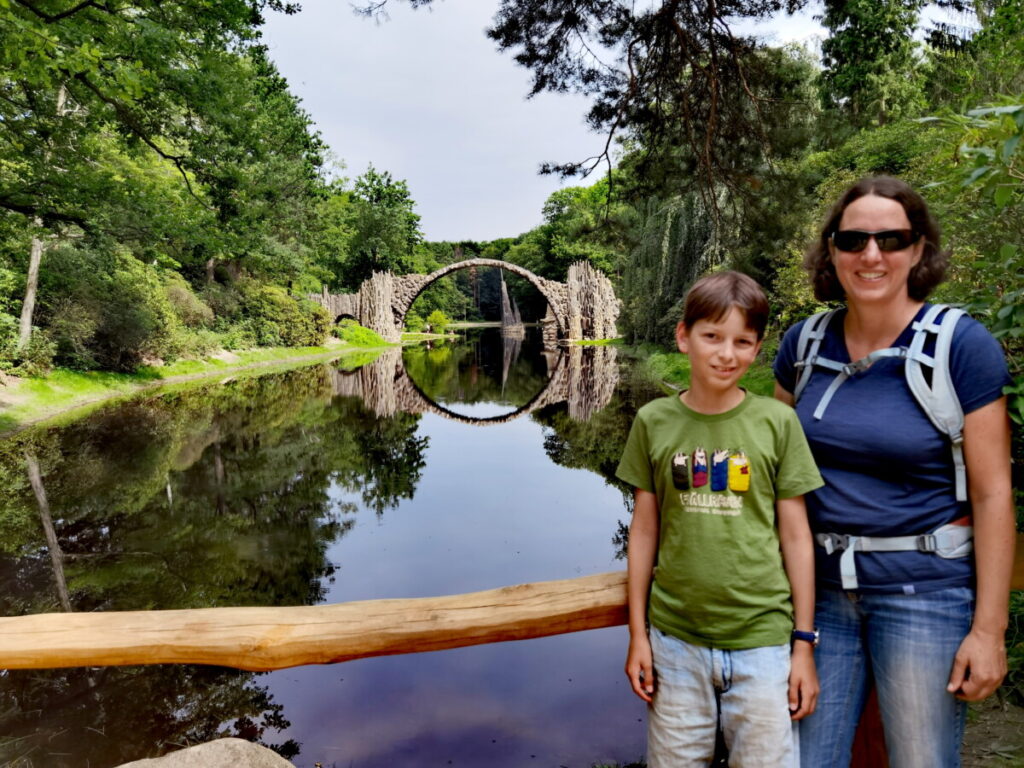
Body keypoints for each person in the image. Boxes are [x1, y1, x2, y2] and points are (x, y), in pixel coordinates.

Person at [773, 175, 1015, 768]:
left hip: (924, 594)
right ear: (831, 250)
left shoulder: (961, 345)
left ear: (919, 249)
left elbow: (992, 495)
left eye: (892, 239)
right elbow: (777, 482)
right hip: (818, 600)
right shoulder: (802, 347)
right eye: (853, 239)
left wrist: (989, 632)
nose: (872, 255)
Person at [617, 270, 824, 767]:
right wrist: (638, 635)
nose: (726, 354)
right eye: (712, 336)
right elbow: (644, 529)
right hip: (674, 642)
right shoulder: (653, 421)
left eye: (742, 341)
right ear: (684, 337)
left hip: (764, 643)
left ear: (757, 348)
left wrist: (803, 645)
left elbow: (796, 536)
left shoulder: (777, 422)